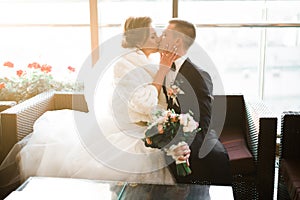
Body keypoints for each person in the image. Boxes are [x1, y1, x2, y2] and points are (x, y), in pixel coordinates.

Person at [0, 16, 194, 196]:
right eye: (153, 35)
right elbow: (144, 103)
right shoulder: (125, 63)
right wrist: (161, 71)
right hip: (129, 129)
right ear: (139, 40)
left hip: (144, 128)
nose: (159, 38)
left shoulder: (145, 61)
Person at [154, 19, 232, 185]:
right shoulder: (162, 68)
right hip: (169, 130)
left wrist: (188, 147)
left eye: (165, 34)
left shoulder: (199, 75)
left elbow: (204, 118)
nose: (160, 37)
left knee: (217, 156)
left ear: (177, 41)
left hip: (196, 132)